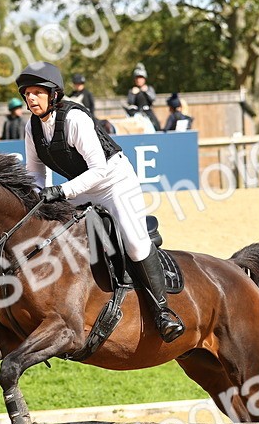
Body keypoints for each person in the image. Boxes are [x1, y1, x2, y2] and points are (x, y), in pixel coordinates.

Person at [18, 61, 184, 342]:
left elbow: (99, 169)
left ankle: (163, 311)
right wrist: (35, 199)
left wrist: (61, 192)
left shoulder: (74, 119)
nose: (31, 98)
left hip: (113, 182)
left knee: (133, 241)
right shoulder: (32, 127)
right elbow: (35, 172)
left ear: (53, 94)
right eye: (27, 94)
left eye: (37, 92)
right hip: (80, 187)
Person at [126, 64, 161, 130]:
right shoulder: (132, 90)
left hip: (147, 112)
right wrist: (133, 94)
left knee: (157, 125)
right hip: (135, 112)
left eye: (141, 78)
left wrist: (146, 92)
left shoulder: (149, 89)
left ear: (144, 79)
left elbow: (153, 98)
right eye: (137, 78)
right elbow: (129, 102)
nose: (139, 80)